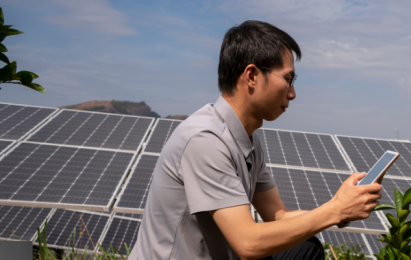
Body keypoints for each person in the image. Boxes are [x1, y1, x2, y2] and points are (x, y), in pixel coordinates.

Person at [128, 20, 383, 260]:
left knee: (305, 248)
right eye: (288, 79)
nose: (292, 94)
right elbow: (247, 243)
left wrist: (338, 208)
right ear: (251, 76)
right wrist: (334, 210)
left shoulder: (248, 142)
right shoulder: (205, 140)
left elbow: (278, 216)